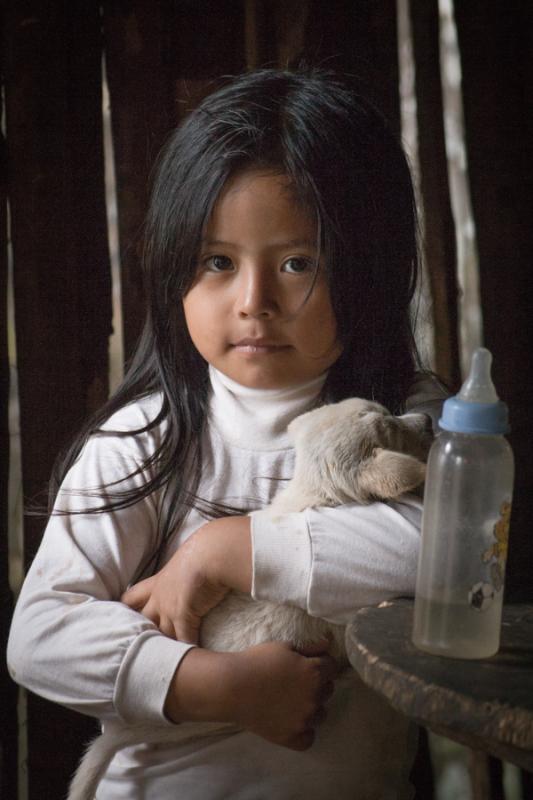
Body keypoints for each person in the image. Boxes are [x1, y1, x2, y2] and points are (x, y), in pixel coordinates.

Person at [8, 67, 446, 799]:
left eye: (297, 263)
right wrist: (223, 686)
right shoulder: (148, 438)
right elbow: (40, 635)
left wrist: (230, 551)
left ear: (366, 266)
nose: (254, 302)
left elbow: (450, 551)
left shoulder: (405, 419)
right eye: (217, 262)